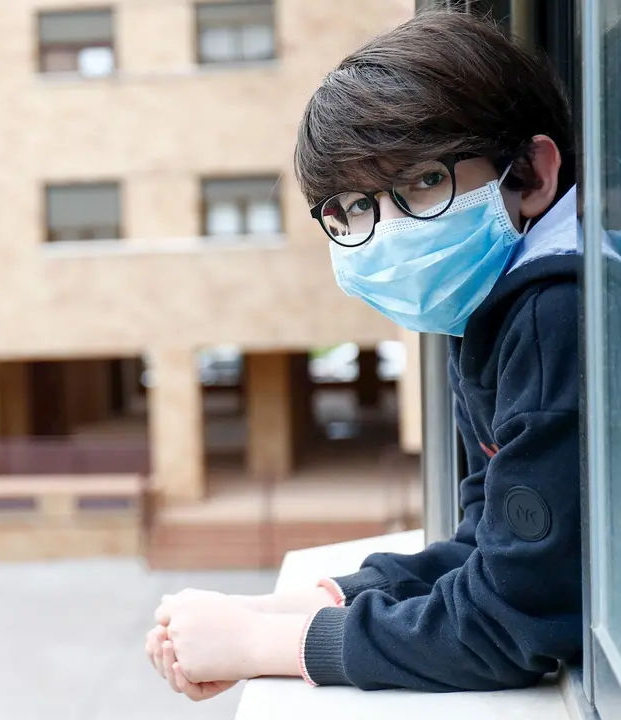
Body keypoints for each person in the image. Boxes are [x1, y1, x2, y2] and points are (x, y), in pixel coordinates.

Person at [146, 10, 582, 698]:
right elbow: (485, 544)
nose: (387, 234)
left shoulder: (560, 311)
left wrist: (266, 645)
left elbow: (507, 623)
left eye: (422, 186)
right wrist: (291, 608)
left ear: (530, 174)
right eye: (352, 208)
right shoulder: (491, 303)